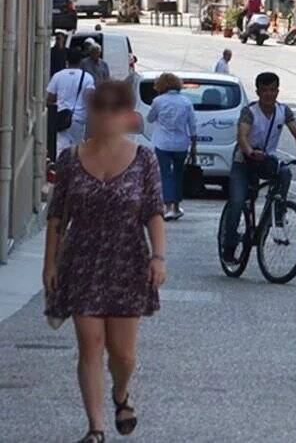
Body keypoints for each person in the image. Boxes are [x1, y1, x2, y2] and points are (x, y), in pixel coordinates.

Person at [43, 81, 166, 443]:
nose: (107, 116)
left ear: (127, 115)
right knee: (90, 343)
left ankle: (121, 394)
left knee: (124, 354)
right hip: (82, 260)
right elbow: (55, 218)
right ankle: (95, 428)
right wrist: (50, 265)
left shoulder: (145, 159)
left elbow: (154, 212)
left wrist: (159, 257)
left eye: (115, 110)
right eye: (100, 109)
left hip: (128, 259)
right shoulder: (70, 159)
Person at [221, 72, 296, 261]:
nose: (269, 94)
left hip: (266, 160)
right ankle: (229, 246)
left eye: (273, 90)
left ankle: (278, 211)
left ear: (278, 91)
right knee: (237, 202)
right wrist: (250, 151)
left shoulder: (283, 111)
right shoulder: (250, 111)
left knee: (284, 172)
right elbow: (242, 137)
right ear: (258, 92)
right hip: (244, 162)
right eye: (265, 90)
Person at [146, 73, 197, 221]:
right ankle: (176, 206)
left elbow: (150, 118)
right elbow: (192, 124)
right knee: (178, 174)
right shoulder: (186, 102)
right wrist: (194, 144)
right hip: (181, 143)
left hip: (163, 143)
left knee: (165, 173)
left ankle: (167, 207)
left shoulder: (158, 101)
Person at [47, 50, 96, 156]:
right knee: (76, 149)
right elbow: (90, 99)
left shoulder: (58, 76)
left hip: (61, 118)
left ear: (67, 61)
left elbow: (50, 97)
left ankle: (60, 168)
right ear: (80, 62)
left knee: (60, 147)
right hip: (78, 120)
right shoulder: (87, 77)